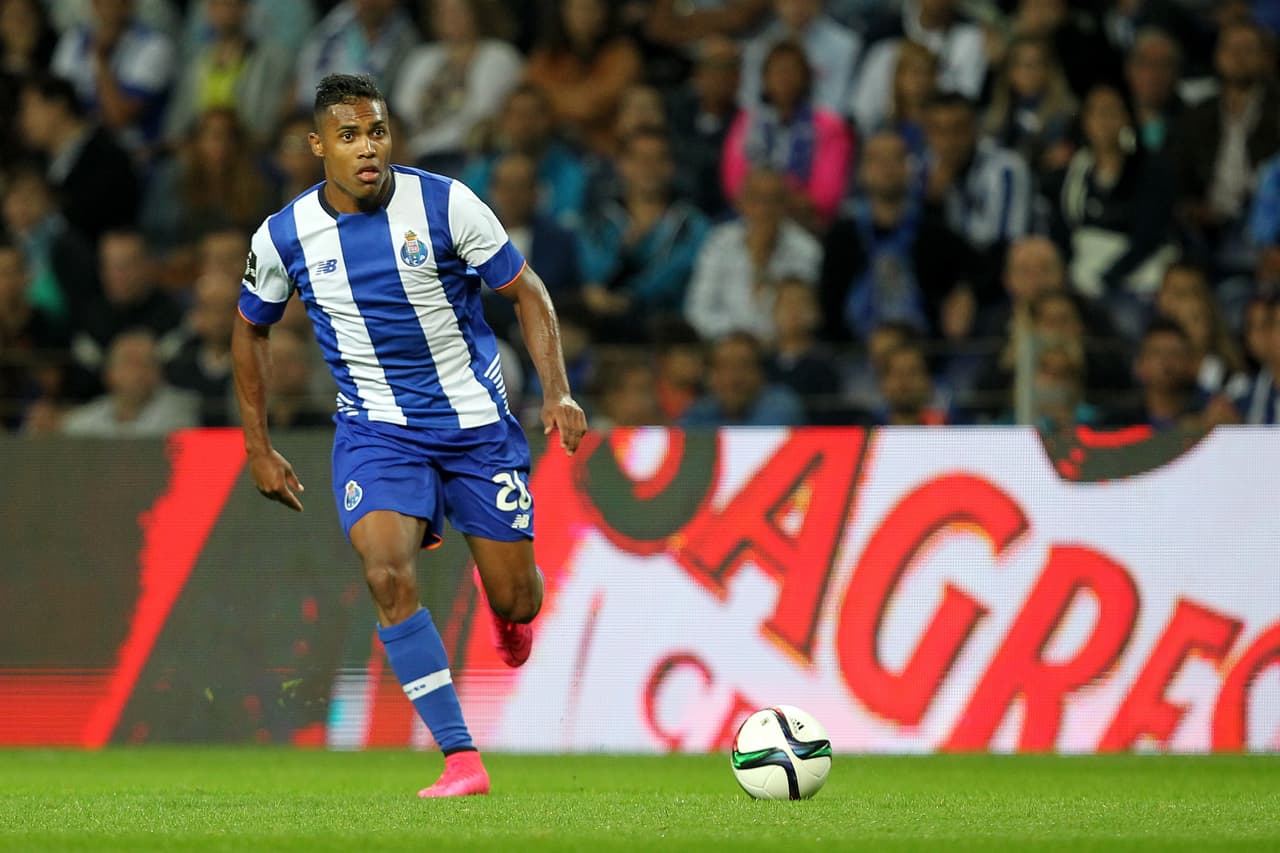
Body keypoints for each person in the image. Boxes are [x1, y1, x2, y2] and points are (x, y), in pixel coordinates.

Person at [231, 74, 586, 798]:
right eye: (350, 136)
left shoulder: (447, 204)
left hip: (476, 428)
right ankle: (461, 758)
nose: (368, 148)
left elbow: (527, 292)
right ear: (318, 146)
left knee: (517, 598)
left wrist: (557, 390)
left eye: (378, 132)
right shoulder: (283, 235)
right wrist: (257, 446)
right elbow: (250, 329)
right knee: (387, 574)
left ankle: (510, 611)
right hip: (378, 432)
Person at [721, 39, 854, 228]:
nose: (784, 77)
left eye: (791, 71)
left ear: (805, 78)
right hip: (748, 218)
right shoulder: (747, 121)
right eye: (777, 71)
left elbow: (826, 196)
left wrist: (773, 199)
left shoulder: (831, 128)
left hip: (804, 222)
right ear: (765, 78)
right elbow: (734, 185)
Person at [684, 167, 822, 341]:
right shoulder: (719, 242)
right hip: (725, 346)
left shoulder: (806, 250)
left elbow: (800, 317)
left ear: (786, 205)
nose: (764, 209)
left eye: (773, 200)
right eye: (756, 198)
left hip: (780, 348)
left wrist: (762, 261)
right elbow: (697, 312)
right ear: (740, 202)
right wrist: (742, 339)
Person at [392, 0, 523, 172]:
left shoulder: (499, 56)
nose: (450, 18)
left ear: (477, 13)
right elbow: (402, 112)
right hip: (413, 156)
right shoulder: (421, 57)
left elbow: (482, 116)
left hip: (467, 156)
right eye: (443, 12)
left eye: (458, 11)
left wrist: (426, 145)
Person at [61, 328, 199, 438]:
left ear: (160, 372)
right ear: (109, 373)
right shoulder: (82, 423)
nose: (138, 371)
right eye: (129, 362)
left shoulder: (181, 414)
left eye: (147, 362)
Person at [737, 0, 862, 114]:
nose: (797, 6)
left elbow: (836, 104)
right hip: (768, 124)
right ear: (776, 3)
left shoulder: (846, 45)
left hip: (822, 125)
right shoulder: (759, 47)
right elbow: (749, 101)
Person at [680, 330, 805, 426]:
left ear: (760, 373)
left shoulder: (781, 405)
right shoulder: (700, 410)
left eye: (744, 366)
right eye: (724, 367)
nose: (733, 379)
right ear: (711, 376)